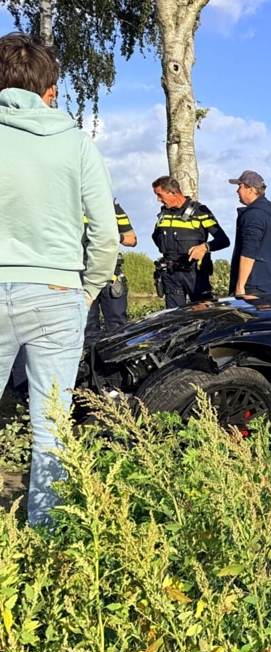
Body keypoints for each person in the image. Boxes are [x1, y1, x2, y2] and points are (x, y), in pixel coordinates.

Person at [0, 32, 119, 526]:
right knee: (51, 429)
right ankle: (45, 548)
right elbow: (107, 236)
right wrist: (87, 290)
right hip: (56, 291)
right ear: (49, 89)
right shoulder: (76, 144)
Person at [151, 176, 230, 308]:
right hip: (171, 275)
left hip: (195, 275)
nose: (158, 200)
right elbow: (156, 238)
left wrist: (205, 247)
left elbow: (223, 240)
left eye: (160, 195)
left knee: (202, 318)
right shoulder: (163, 214)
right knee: (174, 319)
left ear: (173, 192)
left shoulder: (200, 212)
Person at [228, 170, 271, 296]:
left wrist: (240, 287)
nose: (237, 191)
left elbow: (248, 253)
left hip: (255, 287)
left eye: (240, 187)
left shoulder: (254, 215)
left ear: (250, 189)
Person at [84, 202, 137, 346]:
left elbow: (132, 239)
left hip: (111, 278)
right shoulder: (70, 204)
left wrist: (115, 236)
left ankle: (117, 366)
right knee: (87, 329)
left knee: (118, 328)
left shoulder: (114, 208)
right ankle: (92, 366)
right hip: (82, 278)